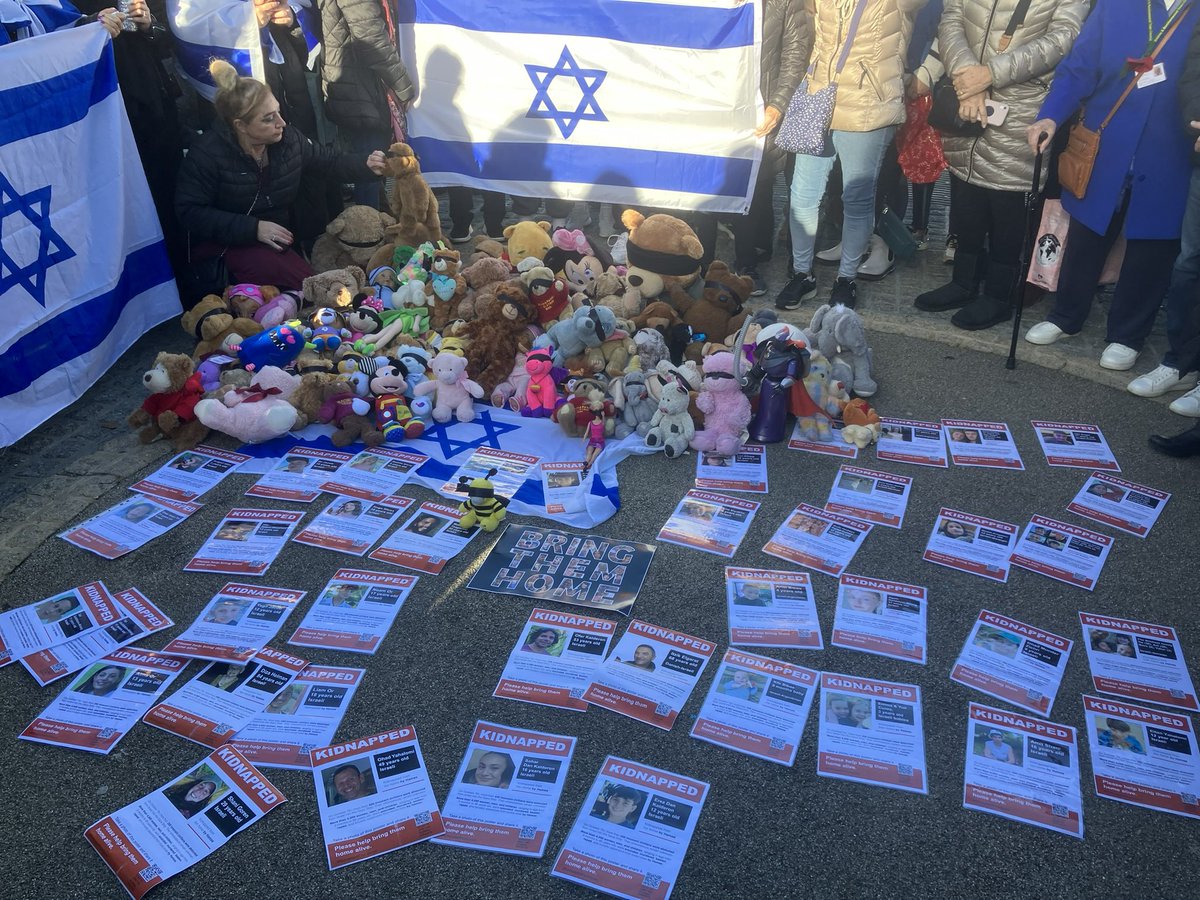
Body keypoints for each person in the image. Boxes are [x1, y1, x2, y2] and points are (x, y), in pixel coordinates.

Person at [1024, 1, 1200, 372]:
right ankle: (1066, 315)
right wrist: (1051, 114)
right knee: (1087, 231)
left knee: (1152, 244)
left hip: (1171, 146)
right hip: (1108, 139)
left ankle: (1128, 334)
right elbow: (1081, 64)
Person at [913, 0, 1085, 330]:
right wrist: (968, 80)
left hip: (1020, 107)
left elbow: (1063, 38)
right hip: (968, 102)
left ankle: (998, 295)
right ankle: (963, 283)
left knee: (1008, 208)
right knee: (966, 198)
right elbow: (952, 19)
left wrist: (992, 74)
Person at [175, 59, 389, 290]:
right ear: (240, 125)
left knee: (313, 283)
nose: (282, 123)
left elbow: (327, 162)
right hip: (228, 244)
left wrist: (366, 164)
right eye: (269, 118)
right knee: (312, 288)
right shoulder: (207, 153)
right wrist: (253, 228)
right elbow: (189, 212)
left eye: (278, 112)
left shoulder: (288, 139)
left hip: (279, 241)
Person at [776, 0, 926, 312]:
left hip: (868, 106)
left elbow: (944, 16)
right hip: (819, 100)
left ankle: (846, 279)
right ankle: (802, 274)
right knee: (802, 195)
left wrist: (928, 71)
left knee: (857, 199)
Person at [694, 0, 810, 295]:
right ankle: (701, 266)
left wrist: (778, 104)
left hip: (758, 109)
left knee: (752, 187)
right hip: (707, 104)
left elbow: (795, 54)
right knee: (704, 185)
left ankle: (747, 265)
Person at [317, 0, 415, 208]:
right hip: (362, 92)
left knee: (369, 168)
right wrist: (403, 87)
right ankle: (368, 234)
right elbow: (372, 41)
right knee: (370, 168)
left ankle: (378, 222)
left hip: (354, 88)